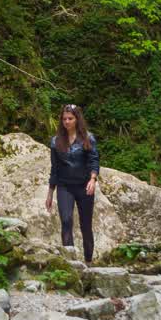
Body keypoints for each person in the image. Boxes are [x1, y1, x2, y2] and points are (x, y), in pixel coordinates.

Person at [44, 104, 100, 263]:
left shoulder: (88, 138)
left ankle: (88, 261)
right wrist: (49, 194)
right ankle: (71, 261)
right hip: (65, 186)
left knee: (86, 225)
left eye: (70, 119)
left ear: (77, 119)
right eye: (64, 119)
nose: (67, 122)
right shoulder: (55, 142)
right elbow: (54, 168)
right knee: (66, 220)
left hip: (84, 186)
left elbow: (94, 160)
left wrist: (93, 179)